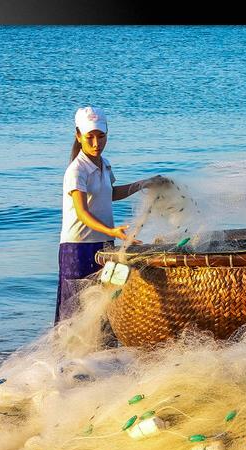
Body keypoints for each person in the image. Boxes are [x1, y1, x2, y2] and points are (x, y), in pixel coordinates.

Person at [55, 106, 166, 324]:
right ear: (78, 135)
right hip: (78, 247)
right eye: (90, 137)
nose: (96, 143)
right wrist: (112, 230)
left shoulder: (104, 164)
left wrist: (144, 184)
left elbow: (111, 194)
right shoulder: (77, 170)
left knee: (103, 306)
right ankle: (68, 357)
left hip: (104, 244)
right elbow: (82, 213)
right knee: (75, 311)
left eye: (101, 136)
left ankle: (99, 358)